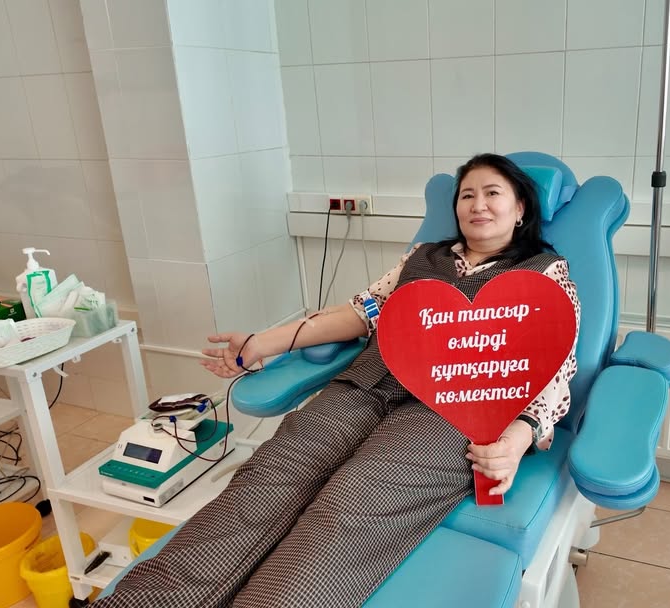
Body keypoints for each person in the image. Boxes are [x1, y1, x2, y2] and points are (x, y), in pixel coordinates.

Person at [93, 153, 581, 608]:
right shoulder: (424, 257)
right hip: (366, 385)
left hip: (448, 410)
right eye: (467, 194)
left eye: (493, 193)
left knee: (351, 504)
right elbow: (361, 311)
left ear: (520, 208)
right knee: (267, 478)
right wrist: (261, 344)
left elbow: (556, 365)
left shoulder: (543, 273)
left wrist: (516, 439)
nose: (478, 205)